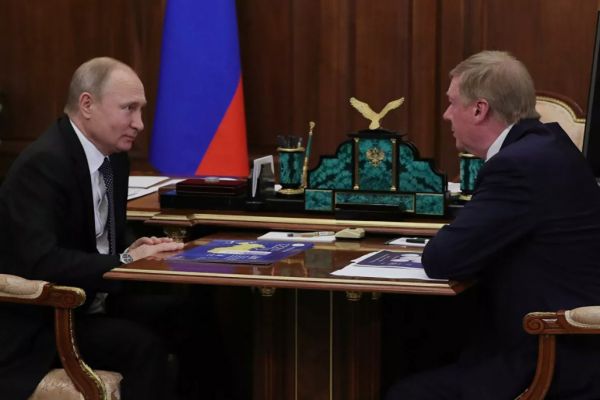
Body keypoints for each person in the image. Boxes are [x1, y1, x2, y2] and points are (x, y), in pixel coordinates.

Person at [386, 50, 600, 399]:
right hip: (562, 343)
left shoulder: (518, 166)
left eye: (452, 103)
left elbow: (443, 258)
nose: (446, 114)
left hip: (553, 356)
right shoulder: (547, 147)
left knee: (405, 391)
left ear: (479, 109)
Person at [0, 57, 185, 399]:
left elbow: (97, 236)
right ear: (87, 105)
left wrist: (129, 249)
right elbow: (42, 262)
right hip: (47, 321)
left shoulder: (114, 158)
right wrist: (124, 261)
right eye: (129, 109)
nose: (139, 123)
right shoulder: (43, 164)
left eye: (141, 110)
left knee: (191, 314)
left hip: (96, 301)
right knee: (143, 347)